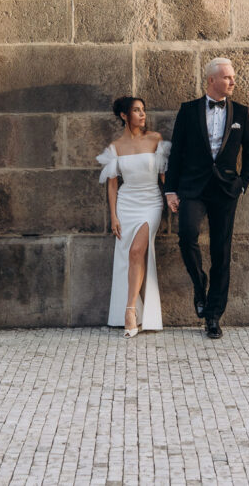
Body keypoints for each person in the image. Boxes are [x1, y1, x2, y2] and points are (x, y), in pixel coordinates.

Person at [165, 57, 249, 339]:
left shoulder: (241, 112)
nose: (233, 82)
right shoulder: (189, 110)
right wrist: (170, 189)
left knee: (221, 252)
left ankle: (214, 315)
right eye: (228, 77)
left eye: (233, 77)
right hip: (193, 188)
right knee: (187, 234)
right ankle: (199, 282)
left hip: (226, 191)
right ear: (211, 80)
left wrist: (241, 184)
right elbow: (176, 151)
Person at [96, 96, 170, 338]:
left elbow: (163, 177)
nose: (142, 114)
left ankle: (130, 311)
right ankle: (131, 310)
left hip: (151, 203)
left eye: (143, 110)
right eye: (136, 111)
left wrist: (172, 197)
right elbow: (113, 187)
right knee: (129, 256)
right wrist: (114, 217)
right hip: (127, 205)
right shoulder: (115, 147)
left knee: (136, 251)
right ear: (124, 116)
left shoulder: (155, 139)